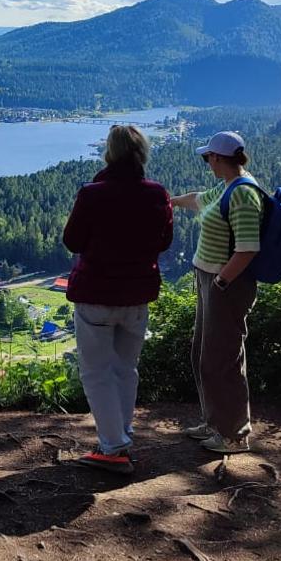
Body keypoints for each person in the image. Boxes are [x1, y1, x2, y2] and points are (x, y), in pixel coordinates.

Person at [62, 125, 173, 474]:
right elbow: (164, 241)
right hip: (137, 295)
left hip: (97, 294)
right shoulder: (156, 194)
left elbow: (73, 241)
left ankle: (113, 450)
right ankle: (121, 436)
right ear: (141, 152)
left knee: (96, 373)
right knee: (126, 369)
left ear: (110, 152)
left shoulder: (93, 194)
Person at [170, 130, 263, 455]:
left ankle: (235, 434)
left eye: (207, 157)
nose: (206, 161)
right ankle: (214, 422)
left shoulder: (243, 194)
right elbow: (199, 199)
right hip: (211, 280)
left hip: (226, 285)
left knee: (223, 358)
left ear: (219, 158)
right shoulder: (225, 187)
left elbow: (248, 248)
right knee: (203, 355)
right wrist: (170, 201)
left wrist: (222, 282)